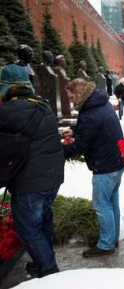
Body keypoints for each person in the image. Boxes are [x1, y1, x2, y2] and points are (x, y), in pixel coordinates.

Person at [0, 64, 64, 277]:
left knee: (28, 229)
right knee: (44, 221)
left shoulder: (6, 111)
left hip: (29, 183)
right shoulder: (43, 106)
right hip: (52, 179)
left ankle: (50, 272)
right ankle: (44, 261)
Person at [63, 78, 124, 258]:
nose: (71, 100)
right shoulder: (98, 103)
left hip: (105, 166)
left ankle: (106, 244)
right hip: (116, 161)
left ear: (80, 94)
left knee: (101, 205)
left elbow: (80, 146)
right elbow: (93, 128)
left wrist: (57, 151)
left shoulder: (90, 112)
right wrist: (75, 130)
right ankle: (112, 238)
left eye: (72, 96)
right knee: (111, 202)